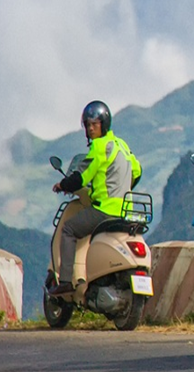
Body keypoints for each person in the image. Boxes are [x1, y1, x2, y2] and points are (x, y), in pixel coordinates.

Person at [49, 101, 143, 295]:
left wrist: (62, 185)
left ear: (104, 124)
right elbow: (137, 171)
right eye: (88, 125)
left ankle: (66, 281)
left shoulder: (100, 147)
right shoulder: (122, 145)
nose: (91, 129)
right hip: (125, 211)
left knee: (69, 229)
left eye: (95, 124)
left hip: (104, 210)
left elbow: (81, 177)